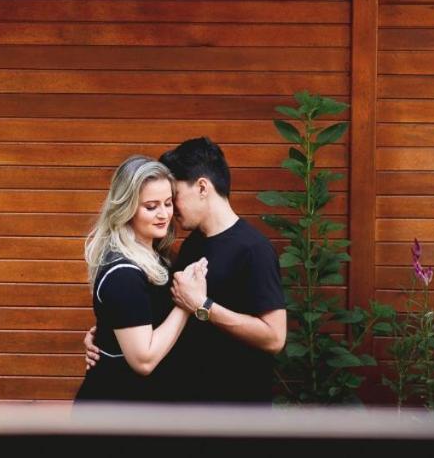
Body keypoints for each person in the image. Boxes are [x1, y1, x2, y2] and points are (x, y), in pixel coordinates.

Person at [83, 138, 287, 404]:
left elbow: (275, 338)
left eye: (172, 198)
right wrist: (109, 334)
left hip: (236, 407)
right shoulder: (192, 245)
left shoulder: (254, 249)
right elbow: (154, 306)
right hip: (190, 403)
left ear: (202, 187)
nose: (170, 211)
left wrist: (203, 306)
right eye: (154, 204)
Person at [73, 155, 208, 404]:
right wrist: (187, 304)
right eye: (151, 206)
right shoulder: (123, 273)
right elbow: (143, 361)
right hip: (117, 413)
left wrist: (103, 336)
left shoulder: (158, 255)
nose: (164, 214)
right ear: (126, 208)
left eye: (168, 203)